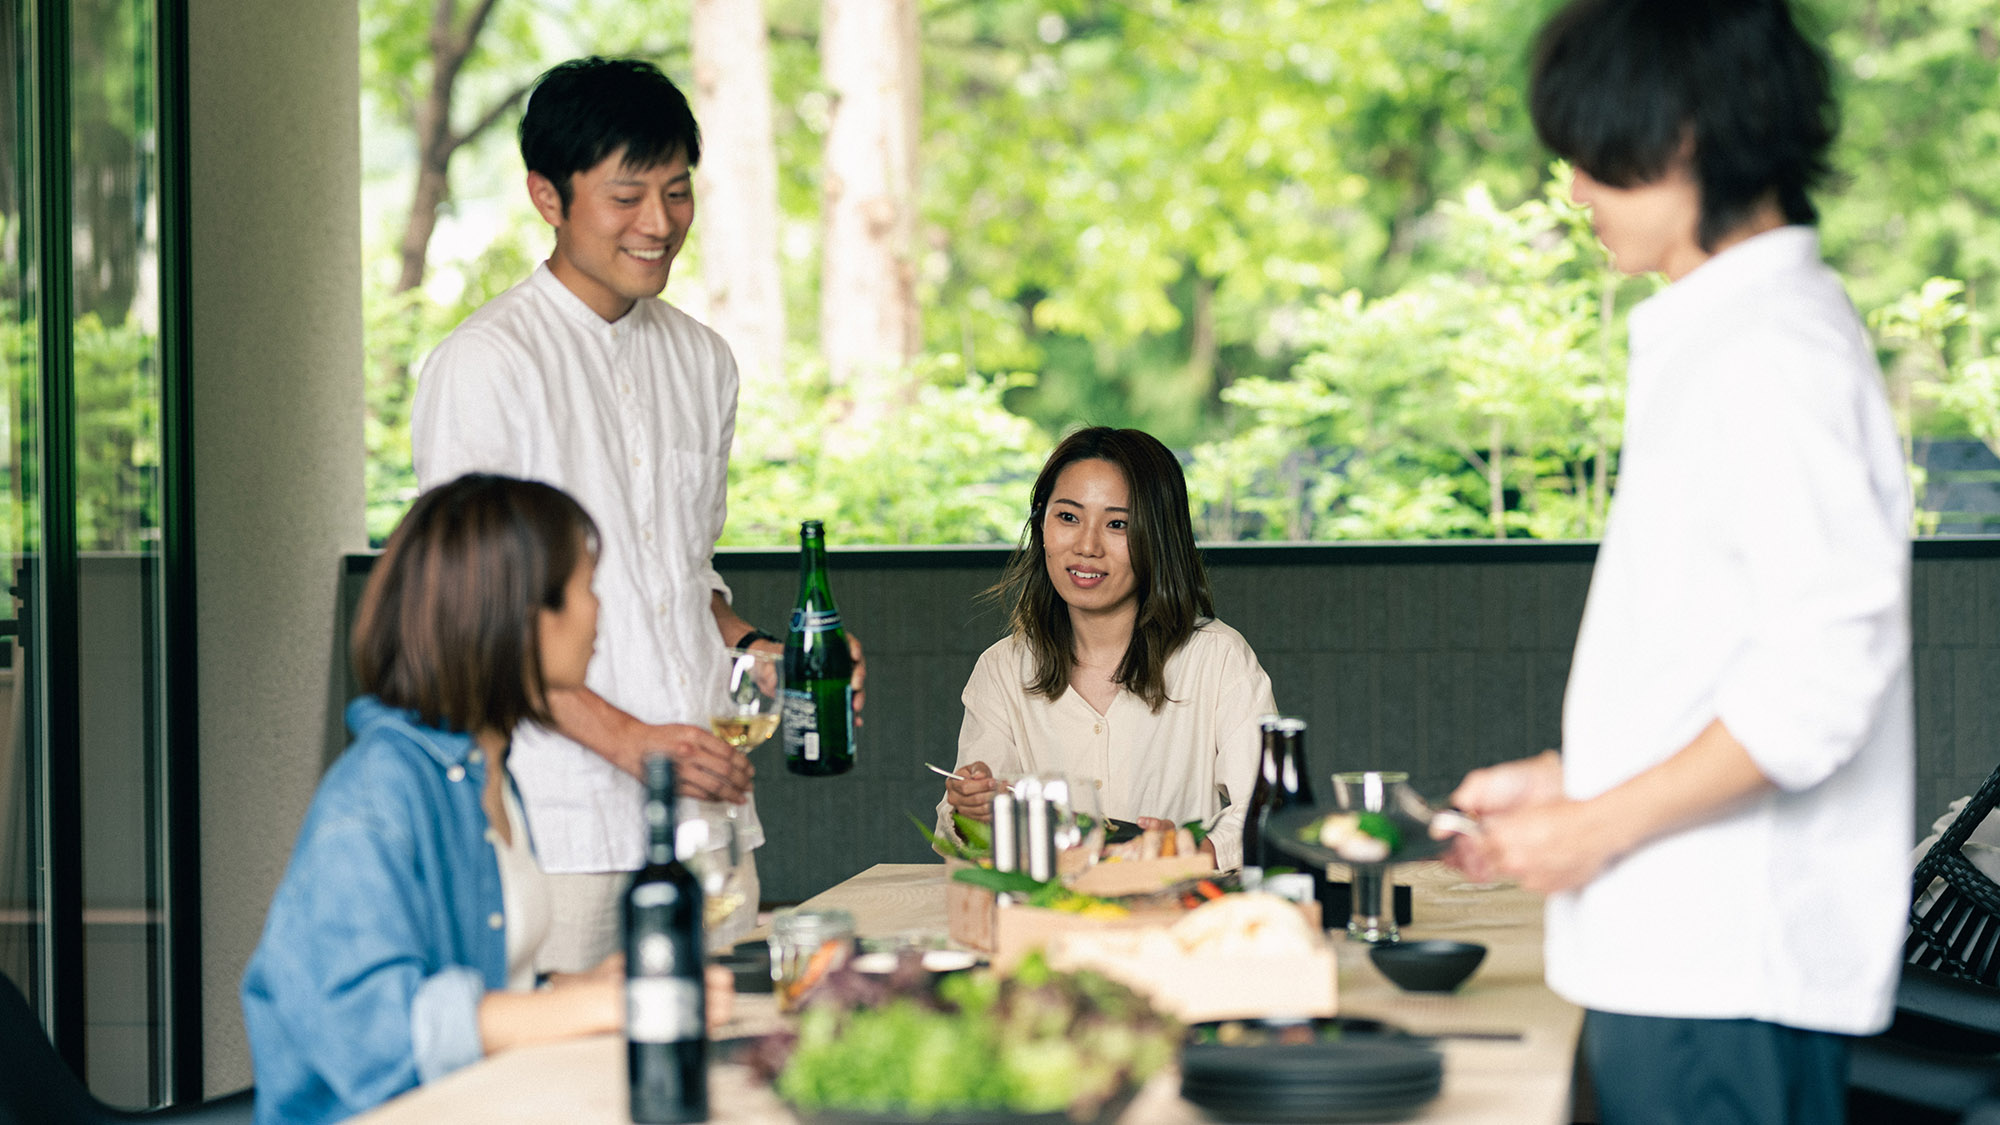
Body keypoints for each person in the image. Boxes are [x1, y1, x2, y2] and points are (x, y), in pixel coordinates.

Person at [1444, 2, 1913, 1121]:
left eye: (1590, 153)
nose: (1571, 190)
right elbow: (1722, 664)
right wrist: (1574, 777)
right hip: (1683, 960)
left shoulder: (1771, 351)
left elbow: (1816, 681)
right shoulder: (1724, 336)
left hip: (1723, 971)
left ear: (1684, 133)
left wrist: (1588, 828)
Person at [410, 57, 861, 971]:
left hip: (707, 814)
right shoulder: (486, 365)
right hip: (562, 821)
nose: (659, 224)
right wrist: (636, 745)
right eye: (627, 195)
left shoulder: (704, 361)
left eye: (677, 191)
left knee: (720, 1065)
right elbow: (472, 622)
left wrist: (761, 652)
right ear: (548, 195)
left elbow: (683, 577)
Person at [241, 475, 622, 1124]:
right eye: (586, 584)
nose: (598, 608)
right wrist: (585, 1011)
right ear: (523, 613)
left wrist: (580, 988)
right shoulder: (377, 794)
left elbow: (477, 979)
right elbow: (366, 1032)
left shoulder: (489, 771)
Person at [938, 427, 1275, 869]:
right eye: (1068, 517)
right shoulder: (1002, 669)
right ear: (1041, 525)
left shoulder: (1219, 659)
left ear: (1158, 537)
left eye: (1118, 524)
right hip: (1047, 923)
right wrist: (970, 810)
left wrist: (1192, 851)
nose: (1086, 546)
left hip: (1176, 920)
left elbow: (1267, 812)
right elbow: (959, 835)